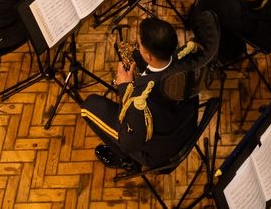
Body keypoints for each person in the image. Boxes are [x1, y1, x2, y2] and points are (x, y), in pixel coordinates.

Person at [80, 17, 200, 170]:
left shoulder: (139, 101)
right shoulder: (187, 58)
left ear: (149, 56)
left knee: (89, 106)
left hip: (161, 153)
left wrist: (124, 87)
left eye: (139, 46)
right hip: (187, 125)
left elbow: (127, 142)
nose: (136, 47)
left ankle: (126, 161)